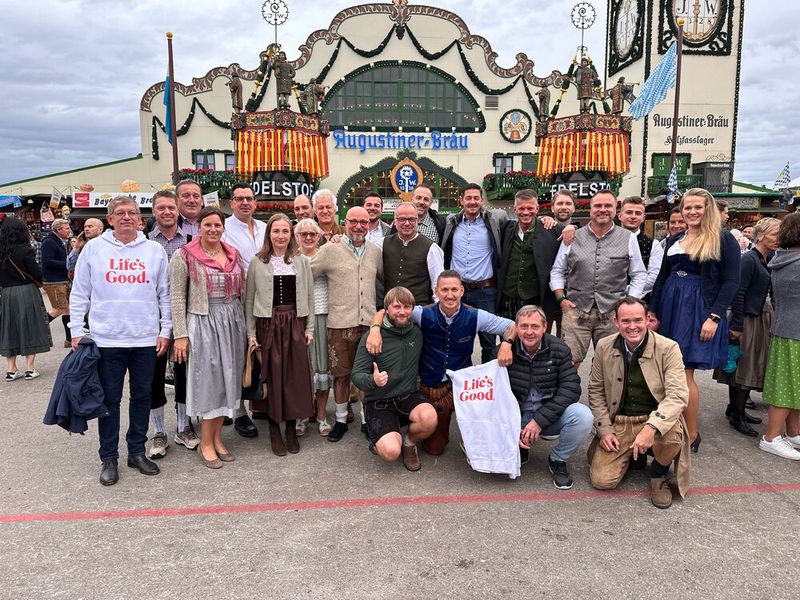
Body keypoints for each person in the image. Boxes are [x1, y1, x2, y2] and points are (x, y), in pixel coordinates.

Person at [69, 196, 171, 486]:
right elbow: (79, 293)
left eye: (133, 213)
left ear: (140, 219)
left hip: (145, 339)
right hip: (107, 339)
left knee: (142, 397)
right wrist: (77, 331)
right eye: (120, 213)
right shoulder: (94, 249)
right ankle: (109, 457)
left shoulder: (154, 251)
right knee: (110, 401)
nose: (127, 217)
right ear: (109, 219)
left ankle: (136, 451)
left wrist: (165, 330)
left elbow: (164, 294)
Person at [366, 270, 516, 455]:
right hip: (430, 383)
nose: (450, 295)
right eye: (444, 290)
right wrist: (374, 330)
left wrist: (506, 343)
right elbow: (384, 311)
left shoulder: (476, 316)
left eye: (454, 289)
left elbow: (512, 326)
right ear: (436, 291)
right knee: (435, 449)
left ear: (462, 290)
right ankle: (398, 432)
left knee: (484, 423)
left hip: (461, 385)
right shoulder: (422, 313)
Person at [650, 188, 740, 453]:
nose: (691, 212)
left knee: (684, 371)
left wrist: (714, 316)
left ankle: (691, 434)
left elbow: (731, 281)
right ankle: (672, 425)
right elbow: (662, 278)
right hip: (671, 306)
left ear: (708, 209)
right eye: (687, 207)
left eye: (697, 207)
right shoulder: (675, 238)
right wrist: (653, 311)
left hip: (699, 309)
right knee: (667, 370)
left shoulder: (722, 239)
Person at [587, 297, 691, 509]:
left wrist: (652, 427)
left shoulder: (669, 348)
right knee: (602, 481)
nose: (632, 326)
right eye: (625, 321)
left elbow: (678, 395)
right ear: (616, 321)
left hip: (655, 419)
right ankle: (635, 455)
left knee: (672, 436)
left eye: (638, 320)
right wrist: (605, 430)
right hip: (621, 420)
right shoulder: (603, 346)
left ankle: (658, 475)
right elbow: (595, 391)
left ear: (648, 320)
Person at [170, 207, 246, 469]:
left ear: (223, 228)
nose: (213, 230)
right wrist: (180, 334)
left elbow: (242, 291)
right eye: (208, 225)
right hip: (204, 320)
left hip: (232, 319)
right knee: (208, 382)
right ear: (198, 227)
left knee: (227, 380)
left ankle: (217, 438)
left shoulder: (232, 254)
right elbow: (177, 297)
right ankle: (205, 442)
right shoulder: (184, 255)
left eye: (217, 225)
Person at [550, 190, 647, 368]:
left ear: (615, 209)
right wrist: (561, 299)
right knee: (569, 362)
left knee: (611, 364)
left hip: (612, 312)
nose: (603, 209)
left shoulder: (628, 238)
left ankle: (605, 397)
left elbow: (639, 274)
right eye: (598, 206)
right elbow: (557, 270)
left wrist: (630, 301)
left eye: (607, 205)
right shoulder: (572, 236)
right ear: (590, 210)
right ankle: (569, 396)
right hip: (576, 309)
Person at [311, 206, 382, 442]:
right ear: (346, 222)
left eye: (364, 222)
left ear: (369, 224)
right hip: (339, 324)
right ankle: (341, 420)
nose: (359, 226)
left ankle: (365, 419)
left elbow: (386, 279)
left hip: (368, 325)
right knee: (341, 376)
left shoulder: (375, 251)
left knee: (365, 375)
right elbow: (307, 273)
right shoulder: (331, 249)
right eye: (354, 221)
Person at [245, 214, 315, 456]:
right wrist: (251, 333)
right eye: (276, 231)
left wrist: (310, 328)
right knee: (272, 377)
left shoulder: (301, 261)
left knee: (294, 378)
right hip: (268, 324)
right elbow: (250, 299)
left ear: (291, 234)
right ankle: (274, 428)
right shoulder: (258, 261)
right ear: (269, 234)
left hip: (294, 322)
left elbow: (309, 296)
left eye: (285, 231)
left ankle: (292, 428)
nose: (281, 236)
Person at [352, 287, 437, 471]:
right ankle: (378, 435)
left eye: (407, 307)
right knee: (390, 452)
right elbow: (357, 375)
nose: (402, 311)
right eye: (396, 306)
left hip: (408, 396)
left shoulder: (416, 332)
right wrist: (373, 381)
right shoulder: (372, 337)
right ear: (386, 309)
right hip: (379, 400)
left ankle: (409, 443)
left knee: (429, 418)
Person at [506, 305, 590, 489]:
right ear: (516, 327)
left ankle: (558, 459)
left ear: (545, 327)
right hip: (516, 416)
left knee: (583, 416)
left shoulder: (559, 349)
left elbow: (572, 388)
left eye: (535, 326)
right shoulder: (503, 351)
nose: (529, 332)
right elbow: (493, 395)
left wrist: (539, 421)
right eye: (524, 326)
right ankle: (519, 448)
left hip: (547, 416)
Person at [713, 218, 780, 436]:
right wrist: (737, 325)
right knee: (744, 366)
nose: (777, 238)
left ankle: (735, 409)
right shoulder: (750, 260)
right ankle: (737, 415)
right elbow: (738, 293)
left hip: (757, 317)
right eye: (773, 234)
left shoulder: (764, 259)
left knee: (746, 364)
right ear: (760, 235)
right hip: (748, 319)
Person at [145, 190, 195, 458]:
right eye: (161, 208)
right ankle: (158, 432)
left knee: (184, 376)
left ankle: (184, 427)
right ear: (154, 211)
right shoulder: (144, 243)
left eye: (170, 208)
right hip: (152, 321)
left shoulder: (190, 240)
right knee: (153, 378)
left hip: (183, 319)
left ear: (178, 211)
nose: (166, 212)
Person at [441, 184, 508, 363]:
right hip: (456, 291)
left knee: (488, 341)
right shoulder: (451, 221)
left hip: (485, 290)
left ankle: (486, 381)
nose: (472, 202)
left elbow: (522, 224)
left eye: (476, 198)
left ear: (481, 200)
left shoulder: (495, 219)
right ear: (461, 200)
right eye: (468, 198)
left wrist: (549, 221)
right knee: (455, 338)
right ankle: (458, 380)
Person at [221, 182, 266, 436]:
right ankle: (239, 412)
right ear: (232, 202)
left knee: (260, 352)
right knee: (239, 355)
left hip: (264, 300)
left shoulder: (263, 227)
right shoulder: (224, 228)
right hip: (236, 299)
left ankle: (259, 402)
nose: (245, 203)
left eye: (249, 198)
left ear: (255, 202)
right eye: (240, 199)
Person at [760, 213, 800, 460]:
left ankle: (793, 432)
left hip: (786, 327)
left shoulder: (782, 258)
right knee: (787, 387)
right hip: (795, 331)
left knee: (793, 385)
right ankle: (772, 437)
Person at [496, 189, 564, 324]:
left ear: (537, 208)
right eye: (521, 208)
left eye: (530, 208)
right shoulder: (507, 228)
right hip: (508, 295)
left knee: (530, 334)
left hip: (534, 297)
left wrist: (571, 228)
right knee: (508, 334)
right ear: (515, 210)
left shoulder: (551, 230)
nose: (526, 212)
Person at [0, 217, 52, 381]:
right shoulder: (25, 249)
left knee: (10, 328)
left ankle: (11, 369)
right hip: (27, 291)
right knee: (30, 326)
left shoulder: (1, 251)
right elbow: (36, 272)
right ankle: (30, 369)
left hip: (7, 293)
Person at [295, 218, 333, 436]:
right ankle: (300, 414)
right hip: (299, 318)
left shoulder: (326, 254)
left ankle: (321, 415)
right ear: (297, 237)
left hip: (323, 315)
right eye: (303, 234)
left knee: (322, 367)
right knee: (301, 368)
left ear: (319, 236)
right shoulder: (291, 258)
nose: (308, 237)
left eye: (312, 234)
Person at [382, 202, 444, 306]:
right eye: (402, 219)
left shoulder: (431, 248)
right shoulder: (382, 244)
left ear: (417, 221)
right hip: (390, 310)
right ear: (395, 221)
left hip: (419, 310)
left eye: (411, 219)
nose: (407, 223)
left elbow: (437, 284)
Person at [619, 195, 664, 296]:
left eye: (638, 213)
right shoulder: (609, 239)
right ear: (620, 215)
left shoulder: (653, 244)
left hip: (641, 300)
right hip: (609, 300)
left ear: (643, 218)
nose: (633, 216)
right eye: (629, 212)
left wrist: (628, 290)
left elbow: (653, 277)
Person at [41, 218, 73, 347]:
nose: (69, 230)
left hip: (62, 280)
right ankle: (35, 330)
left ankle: (69, 340)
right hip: (54, 281)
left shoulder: (60, 241)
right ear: (58, 230)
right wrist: (67, 264)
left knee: (67, 310)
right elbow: (47, 261)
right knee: (58, 309)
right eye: (67, 228)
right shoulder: (49, 242)